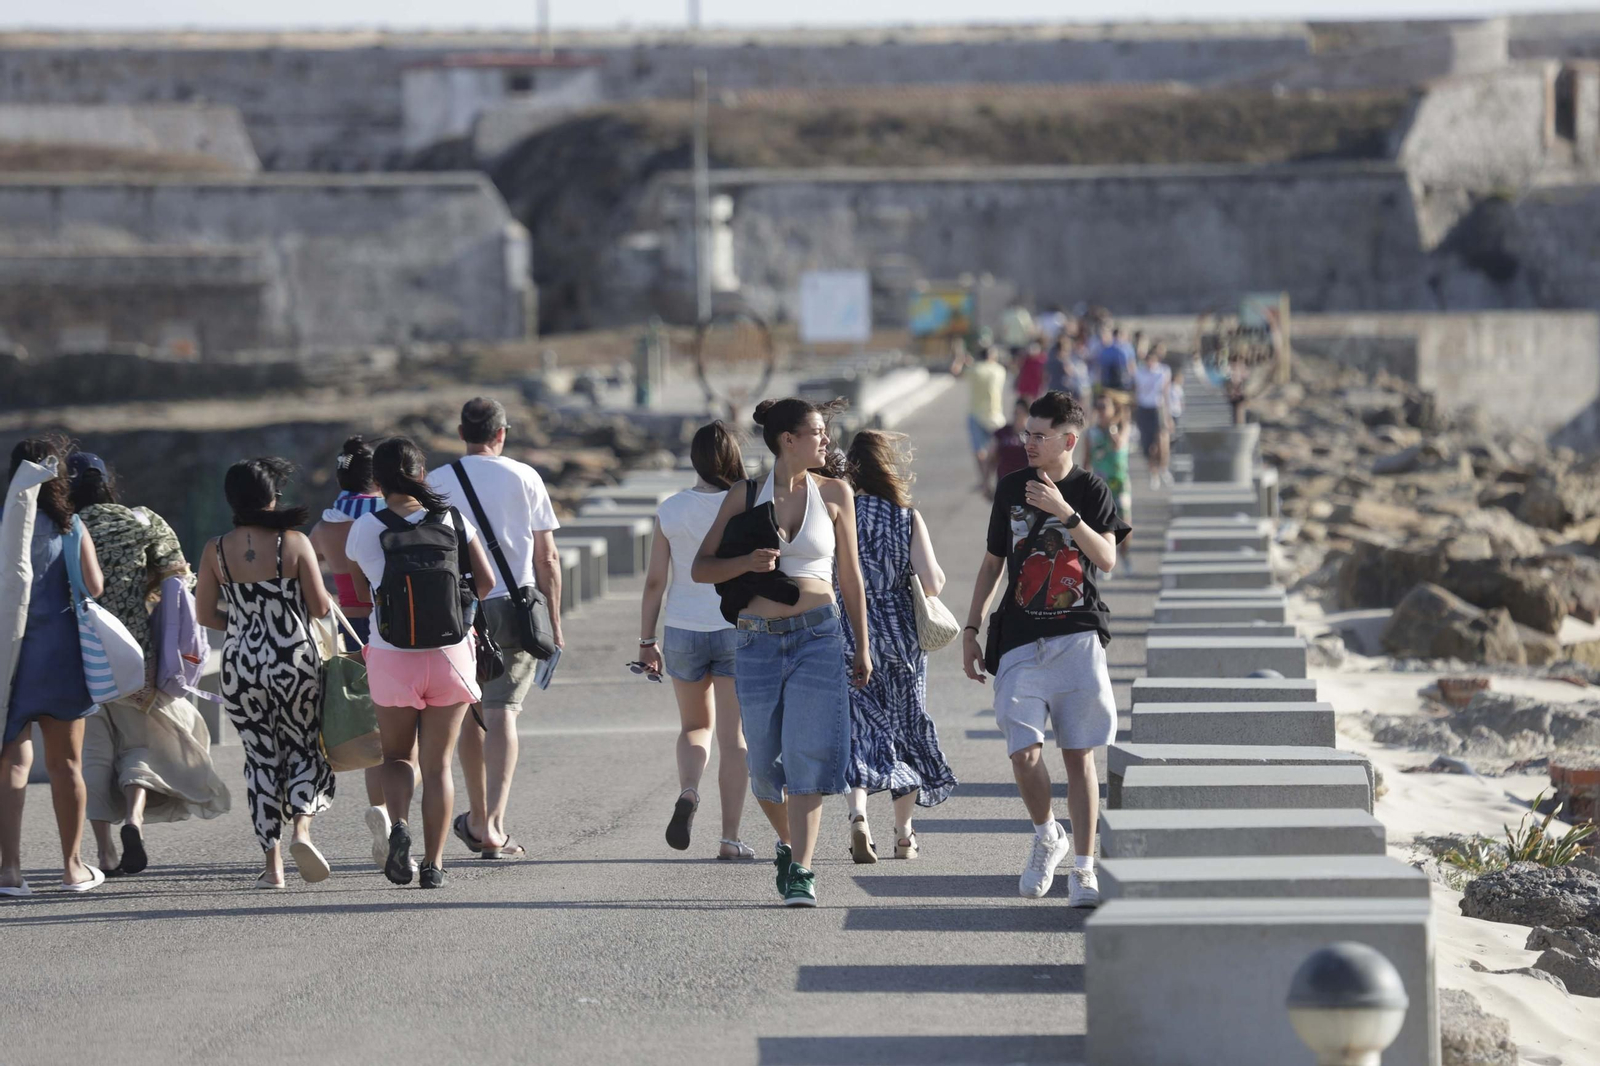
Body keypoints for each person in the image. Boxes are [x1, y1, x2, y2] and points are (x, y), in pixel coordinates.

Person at [692, 398, 873, 908]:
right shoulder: (742, 495)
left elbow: (851, 577)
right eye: (817, 432)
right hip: (756, 640)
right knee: (766, 770)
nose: (826, 441)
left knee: (807, 756)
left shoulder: (836, 493)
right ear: (787, 440)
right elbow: (702, 568)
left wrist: (863, 644)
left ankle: (802, 871)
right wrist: (746, 560)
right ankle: (791, 844)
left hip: (819, 636)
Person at [959, 392, 1130, 907]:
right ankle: (1045, 834)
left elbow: (1107, 558)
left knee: (1080, 756)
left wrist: (1065, 513)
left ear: (1068, 440)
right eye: (1026, 433)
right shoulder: (1011, 487)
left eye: (1039, 435)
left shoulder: (1091, 489)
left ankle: (1083, 869)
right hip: (1019, 638)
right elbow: (993, 563)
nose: (1027, 442)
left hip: (1077, 635)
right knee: (1023, 751)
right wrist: (970, 628)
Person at [69, 453, 229, 877]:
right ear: (107, 482)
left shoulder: (65, 526)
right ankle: (134, 822)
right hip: (136, 657)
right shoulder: (142, 521)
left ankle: (103, 853)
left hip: (78, 655)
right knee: (138, 745)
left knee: (95, 751)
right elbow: (179, 576)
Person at [346, 438, 495, 890]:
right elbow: (485, 584)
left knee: (394, 757)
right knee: (437, 768)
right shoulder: (453, 519)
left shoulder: (365, 529)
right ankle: (433, 865)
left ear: (377, 480)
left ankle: (399, 828)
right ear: (421, 472)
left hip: (392, 658)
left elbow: (361, 594)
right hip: (450, 657)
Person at [638, 421, 785, 860]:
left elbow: (653, 583)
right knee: (733, 738)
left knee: (693, 727)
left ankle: (688, 791)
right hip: (735, 627)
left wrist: (646, 640)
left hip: (682, 628)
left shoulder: (672, 509)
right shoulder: (752, 502)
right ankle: (729, 837)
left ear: (694, 459)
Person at [429, 398, 563, 862]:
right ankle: (494, 824)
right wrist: (556, 625)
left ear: (462, 432)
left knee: (471, 711)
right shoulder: (524, 476)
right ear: (501, 433)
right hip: (515, 603)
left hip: (457, 609)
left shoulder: (436, 482)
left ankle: (478, 814)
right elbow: (546, 558)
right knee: (503, 708)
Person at [194, 457, 335, 889]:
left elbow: (204, 614)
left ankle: (272, 867)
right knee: (305, 748)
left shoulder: (215, 549)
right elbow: (320, 608)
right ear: (272, 498)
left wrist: (241, 625)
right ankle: (302, 832)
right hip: (295, 662)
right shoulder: (293, 543)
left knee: (260, 759)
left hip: (242, 665)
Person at [836, 430, 956, 864]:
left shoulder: (839, 513)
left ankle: (858, 814)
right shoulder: (905, 517)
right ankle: (904, 835)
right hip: (902, 636)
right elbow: (933, 582)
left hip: (851, 631)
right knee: (906, 726)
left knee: (859, 727)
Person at [1, 439, 107, 896]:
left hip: (10, 658)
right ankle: (72, 867)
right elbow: (94, 587)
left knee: (10, 763)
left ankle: (10, 872)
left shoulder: (5, 524)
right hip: (61, 656)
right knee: (66, 764)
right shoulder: (72, 526)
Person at [309, 436, 419, 872]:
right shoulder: (385, 518)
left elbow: (309, 576)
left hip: (346, 631)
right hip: (388, 628)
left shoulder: (325, 526)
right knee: (396, 737)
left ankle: (382, 814)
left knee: (375, 734)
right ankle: (394, 818)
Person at [953, 342, 1008, 496]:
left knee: (979, 451)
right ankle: (993, 478)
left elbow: (956, 373)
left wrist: (960, 359)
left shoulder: (974, 370)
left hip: (976, 414)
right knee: (998, 449)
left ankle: (984, 481)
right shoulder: (999, 370)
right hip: (996, 415)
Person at [1088, 396, 1134, 576]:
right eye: (1098, 406)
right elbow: (1086, 459)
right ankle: (1107, 562)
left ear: (1113, 410)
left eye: (1104, 407)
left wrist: (1111, 429)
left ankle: (1125, 555)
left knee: (1125, 525)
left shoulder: (1122, 428)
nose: (1100, 410)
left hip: (1120, 483)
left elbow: (1118, 445)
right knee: (1103, 525)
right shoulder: (1091, 433)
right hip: (1101, 484)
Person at [1133, 346, 1174, 490]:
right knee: (1149, 445)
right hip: (1144, 409)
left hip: (1158, 408)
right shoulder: (1139, 372)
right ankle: (1153, 472)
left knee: (1162, 439)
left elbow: (1166, 393)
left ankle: (1163, 467)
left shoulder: (1163, 372)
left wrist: (1168, 416)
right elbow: (1137, 393)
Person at [988, 397, 1031, 490]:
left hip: (1025, 484)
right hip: (1004, 482)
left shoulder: (1032, 436)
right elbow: (992, 457)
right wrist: (986, 481)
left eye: (1020, 413)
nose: (1017, 416)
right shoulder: (1002, 433)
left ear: (1027, 415)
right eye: (1015, 412)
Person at [1014, 341, 1048, 405]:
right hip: (1025, 386)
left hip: (1035, 386)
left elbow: (1044, 374)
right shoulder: (1025, 360)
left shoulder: (1041, 361)